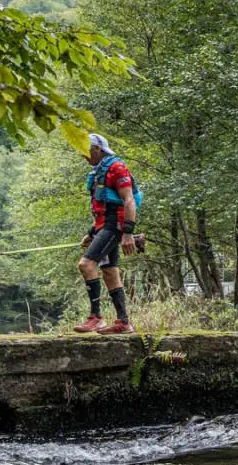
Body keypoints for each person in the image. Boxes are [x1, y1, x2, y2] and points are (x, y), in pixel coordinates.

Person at [75, 133, 141, 335]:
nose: (84, 157)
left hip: (115, 225)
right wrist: (91, 232)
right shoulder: (97, 172)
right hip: (103, 225)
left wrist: (128, 233)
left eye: (86, 152)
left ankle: (96, 318)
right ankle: (123, 322)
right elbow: (101, 206)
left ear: (97, 149)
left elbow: (128, 200)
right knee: (110, 271)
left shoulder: (117, 167)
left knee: (86, 264)